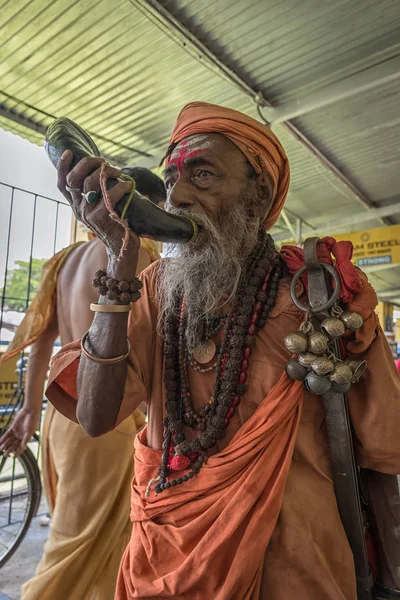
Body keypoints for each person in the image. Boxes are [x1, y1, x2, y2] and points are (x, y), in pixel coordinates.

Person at [44, 102, 400, 600]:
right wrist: (120, 264)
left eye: (204, 175)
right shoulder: (149, 288)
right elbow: (96, 416)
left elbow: (384, 449)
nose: (178, 197)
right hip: (162, 565)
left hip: (296, 568)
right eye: (169, 181)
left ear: (258, 197)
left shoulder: (319, 294)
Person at [0, 169, 165, 600]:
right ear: (145, 210)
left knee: (77, 536)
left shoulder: (67, 259)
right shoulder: (139, 258)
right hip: (108, 419)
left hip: (61, 418)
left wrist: (30, 409)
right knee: (76, 548)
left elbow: (42, 348)